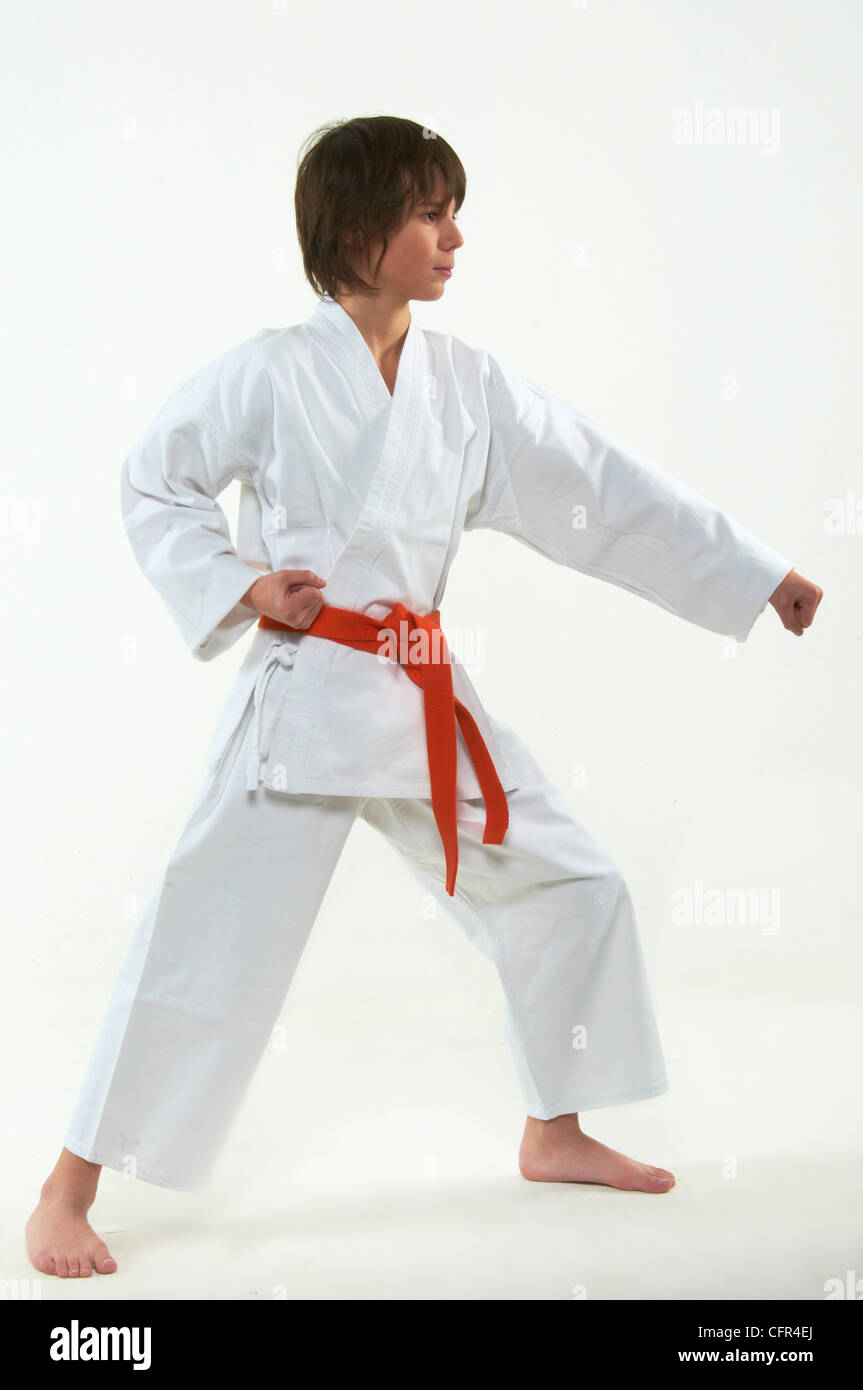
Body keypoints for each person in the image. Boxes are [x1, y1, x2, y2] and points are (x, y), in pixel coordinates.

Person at [25, 116, 822, 1278]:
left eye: (452, 209)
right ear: (357, 230)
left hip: (414, 690)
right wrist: (245, 585)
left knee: (569, 878)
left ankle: (553, 1127)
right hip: (299, 702)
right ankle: (65, 1187)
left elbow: (597, 483)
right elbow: (155, 477)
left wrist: (751, 572)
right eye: (428, 212)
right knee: (203, 940)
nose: (454, 236)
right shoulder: (270, 370)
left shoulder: (465, 385)